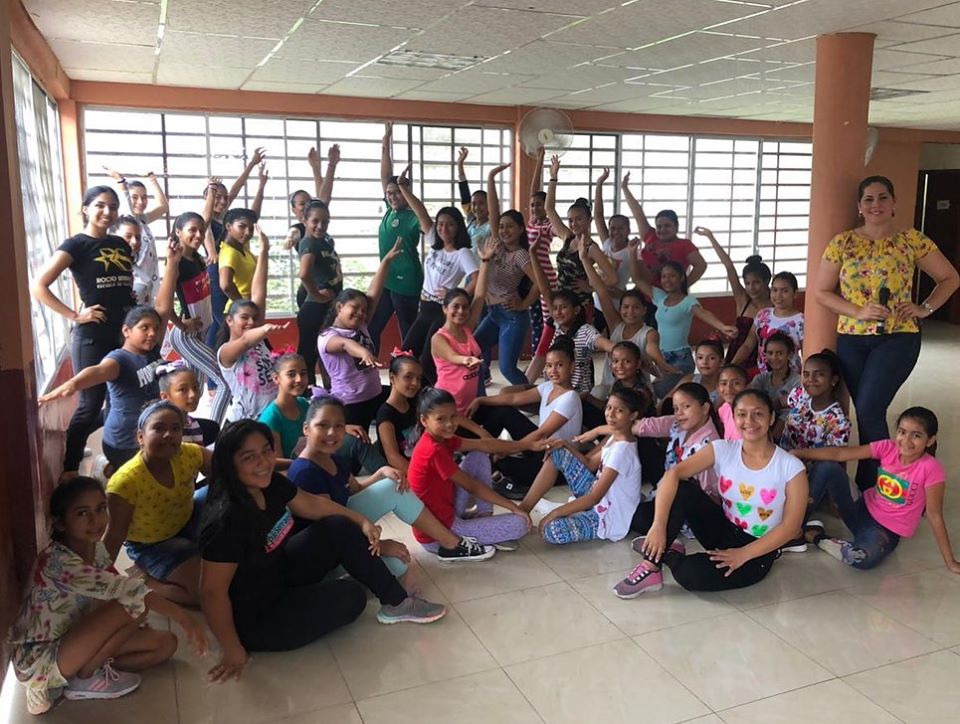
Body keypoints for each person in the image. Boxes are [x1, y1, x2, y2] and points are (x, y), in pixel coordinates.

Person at [199, 420, 447, 682]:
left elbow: (312, 504)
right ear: (229, 463)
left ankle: (397, 603)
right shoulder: (225, 521)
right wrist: (232, 650)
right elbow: (211, 593)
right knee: (352, 597)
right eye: (249, 457)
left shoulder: (270, 484)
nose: (263, 462)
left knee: (339, 526)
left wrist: (361, 521)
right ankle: (353, 583)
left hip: (279, 572)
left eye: (266, 451)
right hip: (260, 615)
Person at [10, 477, 207, 715]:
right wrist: (185, 619)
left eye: (101, 509)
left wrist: (127, 625)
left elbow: (114, 581)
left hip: (72, 637)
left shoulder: (95, 548)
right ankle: (84, 677)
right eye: (82, 513)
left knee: (165, 644)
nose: (95, 520)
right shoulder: (59, 561)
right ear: (60, 523)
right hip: (39, 658)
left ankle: (72, 677)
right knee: (134, 604)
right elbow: (131, 591)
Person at [815, 175, 959, 491]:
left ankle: (887, 484)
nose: (876, 204)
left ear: (894, 203)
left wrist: (925, 308)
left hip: (899, 336)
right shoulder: (843, 243)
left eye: (883, 197)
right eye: (868, 199)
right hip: (852, 339)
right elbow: (821, 292)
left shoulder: (911, 240)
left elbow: (950, 278)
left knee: (868, 408)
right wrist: (858, 311)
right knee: (870, 413)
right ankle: (879, 484)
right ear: (859, 206)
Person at [614, 389, 807, 597]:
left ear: (771, 418)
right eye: (742, 414)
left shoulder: (790, 467)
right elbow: (673, 474)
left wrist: (744, 554)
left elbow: (791, 527)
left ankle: (668, 554)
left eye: (758, 414)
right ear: (733, 418)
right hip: (724, 529)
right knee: (682, 489)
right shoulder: (722, 449)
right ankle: (651, 565)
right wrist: (658, 526)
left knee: (689, 573)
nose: (749, 421)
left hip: (758, 551)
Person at [289, 396, 495, 574]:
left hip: (347, 530)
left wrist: (381, 472)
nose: (331, 433)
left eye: (339, 426)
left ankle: (448, 543)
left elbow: (356, 490)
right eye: (323, 425)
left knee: (399, 564)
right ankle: (451, 543)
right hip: (326, 552)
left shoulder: (335, 459)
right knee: (392, 491)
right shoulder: (305, 472)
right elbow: (332, 528)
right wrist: (379, 544)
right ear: (306, 429)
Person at [31, 186, 136, 481]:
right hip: (92, 335)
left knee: (118, 402)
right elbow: (39, 286)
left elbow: (123, 287)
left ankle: (116, 459)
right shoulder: (76, 245)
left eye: (113, 206)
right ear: (86, 209)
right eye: (100, 205)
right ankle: (69, 468)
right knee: (90, 405)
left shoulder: (121, 244)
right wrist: (75, 315)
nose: (107, 212)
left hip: (123, 334)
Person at [793, 407, 959, 573]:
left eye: (916, 435)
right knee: (827, 467)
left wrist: (950, 562)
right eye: (902, 432)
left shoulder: (931, 468)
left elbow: (934, 514)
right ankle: (793, 529)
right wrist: (799, 453)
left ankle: (815, 536)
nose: (906, 440)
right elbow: (840, 454)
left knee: (861, 558)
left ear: (930, 440)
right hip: (860, 507)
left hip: (884, 531)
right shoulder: (888, 447)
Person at [39, 299, 175, 473]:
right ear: (126, 331)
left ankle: (114, 468)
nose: (152, 333)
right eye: (144, 328)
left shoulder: (152, 350)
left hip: (149, 434)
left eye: (156, 328)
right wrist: (73, 384)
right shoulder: (120, 359)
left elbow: (163, 306)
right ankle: (116, 465)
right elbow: (98, 370)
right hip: (125, 444)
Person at [102, 400, 212, 606]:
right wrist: (99, 581)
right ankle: (145, 579)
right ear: (140, 437)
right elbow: (114, 536)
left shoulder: (189, 453)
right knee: (204, 594)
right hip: (152, 544)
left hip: (186, 519)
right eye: (159, 428)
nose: (168, 434)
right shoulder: (125, 482)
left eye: (175, 428)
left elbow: (227, 469)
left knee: (225, 488)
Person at [408, 388, 542, 551]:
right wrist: (513, 507)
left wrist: (529, 445)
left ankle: (484, 517)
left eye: (453, 416)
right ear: (424, 420)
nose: (449, 424)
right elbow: (472, 486)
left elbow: (484, 444)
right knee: (520, 524)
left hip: (448, 511)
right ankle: (481, 532)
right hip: (438, 534)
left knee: (478, 456)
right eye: (440, 419)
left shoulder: (441, 438)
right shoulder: (433, 449)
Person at [520, 388, 645, 545]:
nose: (610, 414)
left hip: (606, 518)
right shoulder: (615, 436)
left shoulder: (622, 451)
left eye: (619, 410)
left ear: (633, 415)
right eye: (609, 407)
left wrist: (554, 513)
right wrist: (565, 444)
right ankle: (524, 509)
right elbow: (590, 463)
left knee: (551, 530)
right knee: (558, 452)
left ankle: (564, 509)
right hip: (597, 499)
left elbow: (594, 497)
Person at [629, 238, 737, 399]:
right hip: (661, 356)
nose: (667, 280)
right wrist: (632, 254)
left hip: (681, 358)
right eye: (664, 276)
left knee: (664, 393)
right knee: (659, 394)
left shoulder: (688, 301)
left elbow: (704, 313)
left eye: (672, 276)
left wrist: (722, 326)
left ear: (681, 278)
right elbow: (637, 279)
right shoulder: (659, 297)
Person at [318, 239, 403, 430]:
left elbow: (374, 292)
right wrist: (364, 352)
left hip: (375, 393)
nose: (360, 313)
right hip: (351, 403)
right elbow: (345, 344)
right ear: (339, 307)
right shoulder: (327, 337)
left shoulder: (360, 325)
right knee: (357, 442)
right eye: (354, 308)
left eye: (364, 310)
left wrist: (386, 262)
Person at [395, 164, 478, 358]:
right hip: (424, 306)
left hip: (441, 310)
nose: (443, 229)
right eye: (440, 224)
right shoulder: (434, 241)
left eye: (450, 225)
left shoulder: (462, 253)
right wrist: (402, 187)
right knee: (406, 353)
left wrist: (455, 296)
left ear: (458, 227)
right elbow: (420, 211)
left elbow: (477, 278)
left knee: (428, 358)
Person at [157, 211, 231, 424]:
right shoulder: (176, 262)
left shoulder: (197, 258)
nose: (198, 235)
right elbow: (162, 301)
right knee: (224, 381)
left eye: (201, 230)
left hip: (200, 332)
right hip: (185, 335)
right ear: (178, 232)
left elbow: (206, 219)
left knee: (193, 388)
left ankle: (184, 427)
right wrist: (180, 323)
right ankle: (212, 432)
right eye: (192, 230)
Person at [472, 163, 540, 386]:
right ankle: (478, 392)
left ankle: (532, 397)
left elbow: (540, 284)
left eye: (510, 227)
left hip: (512, 316)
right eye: (501, 226)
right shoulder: (497, 245)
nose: (504, 230)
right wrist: (491, 178)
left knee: (507, 368)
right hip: (493, 313)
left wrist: (524, 304)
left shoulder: (520, 255)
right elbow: (494, 209)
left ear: (520, 229)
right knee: (473, 351)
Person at [778, 350, 851, 548]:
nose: (811, 380)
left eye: (819, 375)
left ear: (833, 380)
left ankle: (795, 527)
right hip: (780, 463)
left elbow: (833, 458)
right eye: (806, 374)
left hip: (805, 476)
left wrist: (801, 455)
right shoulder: (800, 395)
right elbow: (778, 403)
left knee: (825, 468)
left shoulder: (837, 420)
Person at [216, 227, 285, 422]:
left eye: (255, 318)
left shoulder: (258, 339)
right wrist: (263, 329)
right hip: (246, 422)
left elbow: (259, 292)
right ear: (229, 320)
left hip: (270, 418)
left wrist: (264, 251)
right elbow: (246, 340)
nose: (251, 322)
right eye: (244, 318)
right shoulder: (226, 352)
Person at [368, 122, 424, 352]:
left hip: (407, 280)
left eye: (397, 193)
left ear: (407, 193)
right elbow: (385, 177)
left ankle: (411, 367)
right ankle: (368, 364)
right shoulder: (390, 210)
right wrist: (385, 146)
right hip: (386, 279)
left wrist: (405, 190)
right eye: (389, 193)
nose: (392, 196)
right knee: (372, 326)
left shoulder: (414, 216)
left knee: (408, 330)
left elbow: (430, 226)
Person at [695, 227, 771, 367]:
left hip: (764, 358)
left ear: (767, 281)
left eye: (756, 282)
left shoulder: (775, 305)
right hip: (737, 354)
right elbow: (729, 267)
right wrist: (710, 237)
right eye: (747, 283)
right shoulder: (743, 300)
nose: (751, 287)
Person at [621, 174, 707, 289]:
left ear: (676, 227)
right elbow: (638, 214)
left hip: (665, 295)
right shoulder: (651, 236)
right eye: (659, 226)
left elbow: (701, 266)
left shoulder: (684, 245)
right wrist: (625, 188)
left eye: (667, 226)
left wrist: (683, 287)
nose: (662, 230)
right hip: (642, 291)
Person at [296, 199, 343, 387]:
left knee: (325, 352)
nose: (320, 226)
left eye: (325, 222)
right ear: (304, 221)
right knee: (308, 356)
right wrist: (318, 295)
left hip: (325, 307)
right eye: (315, 221)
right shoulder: (309, 243)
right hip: (314, 309)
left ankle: (329, 391)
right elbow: (304, 274)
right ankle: (306, 394)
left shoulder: (322, 241)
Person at [286, 144, 339, 309]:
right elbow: (293, 233)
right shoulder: (300, 229)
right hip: (314, 294)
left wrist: (316, 169)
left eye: (309, 202)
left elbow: (321, 201)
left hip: (328, 291)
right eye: (302, 204)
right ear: (294, 209)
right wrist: (331, 166)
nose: (307, 205)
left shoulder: (318, 224)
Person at [107, 169, 169, 305]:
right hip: (133, 285)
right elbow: (127, 207)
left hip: (148, 286)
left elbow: (164, 207)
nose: (140, 202)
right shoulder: (123, 221)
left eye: (144, 197)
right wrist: (121, 182)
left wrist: (153, 180)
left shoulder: (142, 220)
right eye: (134, 197)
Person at [731, 271, 804, 376]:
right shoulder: (763, 315)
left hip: (790, 378)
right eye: (775, 290)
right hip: (763, 375)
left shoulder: (801, 320)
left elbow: (806, 353)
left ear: (795, 293)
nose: (778, 295)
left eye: (785, 291)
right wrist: (732, 365)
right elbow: (748, 345)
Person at [525, 146, 558, 361]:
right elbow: (533, 189)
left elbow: (560, 228)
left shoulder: (548, 226)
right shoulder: (531, 222)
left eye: (539, 205)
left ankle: (551, 359)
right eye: (532, 205)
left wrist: (553, 178)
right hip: (531, 279)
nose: (535, 208)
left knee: (549, 322)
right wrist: (540, 160)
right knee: (535, 322)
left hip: (546, 279)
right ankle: (538, 360)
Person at [592, 168, 634, 313]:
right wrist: (599, 183)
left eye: (621, 228)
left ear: (628, 230)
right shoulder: (607, 243)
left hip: (617, 308)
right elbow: (598, 216)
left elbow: (642, 280)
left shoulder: (631, 252)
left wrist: (624, 295)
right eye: (613, 228)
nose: (616, 232)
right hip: (598, 304)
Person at [157, 361, 220, 446]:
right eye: (183, 389)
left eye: (195, 387)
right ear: (165, 397)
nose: (193, 394)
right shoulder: (162, 433)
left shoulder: (195, 425)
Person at [749, 332, 802, 430]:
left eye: (780, 353)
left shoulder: (797, 381)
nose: (774, 357)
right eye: (770, 353)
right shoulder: (760, 379)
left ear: (789, 355)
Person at [455, 145, 492, 260]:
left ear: (489, 205)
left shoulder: (492, 226)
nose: (477, 207)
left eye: (481, 203)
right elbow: (464, 193)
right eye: (474, 204)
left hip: (484, 269)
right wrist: (460, 165)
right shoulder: (471, 221)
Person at [716, 364, 748, 441]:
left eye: (736, 383)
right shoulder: (724, 409)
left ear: (747, 386)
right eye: (724, 384)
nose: (729, 388)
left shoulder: (752, 412)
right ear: (717, 387)